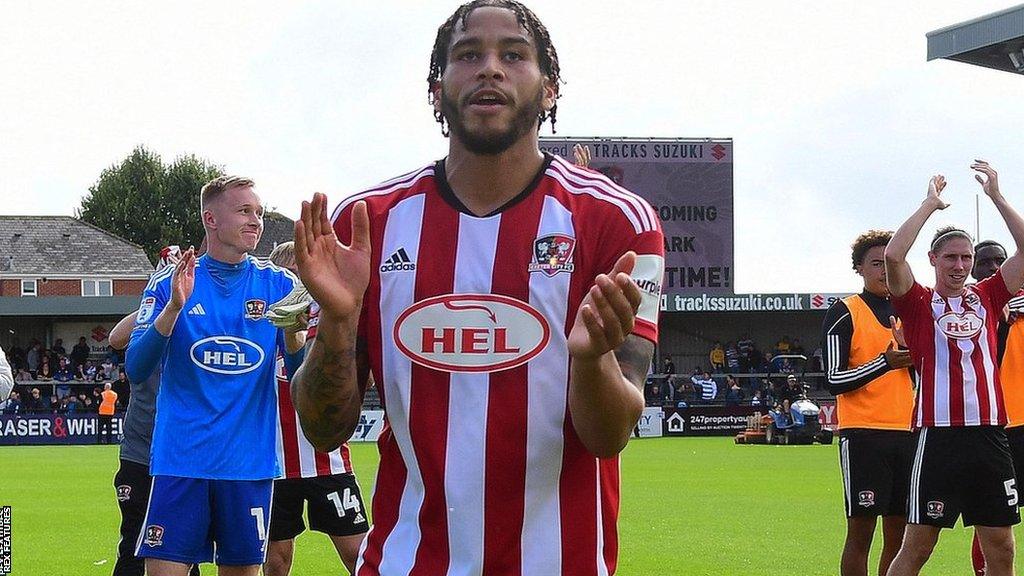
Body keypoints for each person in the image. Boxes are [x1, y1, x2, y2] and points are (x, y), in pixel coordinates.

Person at [290, 2, 665, 573]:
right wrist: (338, 326)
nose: (490, 68)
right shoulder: (367, 223)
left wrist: (588, 363)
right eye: (468, 55)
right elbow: (323, 428)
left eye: (513, 54)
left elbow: (610, 434)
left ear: (549, 90)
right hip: (405, 561)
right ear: (437, 90)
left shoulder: (618, 222)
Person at [126, 176, 299, 576]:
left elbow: (296, 374)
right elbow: (137, 367)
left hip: (248, 466)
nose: (255, 220)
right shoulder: (173, 281)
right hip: (181, 461)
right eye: (244, 211)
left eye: (258, 211)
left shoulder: (278, 284)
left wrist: (294, 331)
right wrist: (172, 309)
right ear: (211, 220)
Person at [885, 164, 1024, 576]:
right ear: (933, 259)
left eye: (966, 257)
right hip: (938, 438)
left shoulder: (988, 294)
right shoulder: (916, 302)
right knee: (918, 547)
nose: (960, 265)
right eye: (951, 257)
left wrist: (998, 196)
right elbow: (893, 255)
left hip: (989, 435)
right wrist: (929, 205)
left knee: (1001, 546)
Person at [263, 242, 369, 576]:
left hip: (329, 460)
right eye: (292, 272)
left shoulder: (331, 316)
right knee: (276, 561)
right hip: (273, 462)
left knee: (358, 554)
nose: (301, 280)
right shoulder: (260, 320)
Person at [821, 230, 915, 576]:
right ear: (859, 268)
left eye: (890, 263)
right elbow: (833, 379)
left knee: (901, 536)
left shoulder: (910, 312)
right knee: (860, 535)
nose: (884, 271)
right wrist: (883, 363)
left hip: (909, 433)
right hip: (863, 436)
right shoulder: (845, 311)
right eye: (876, 263)